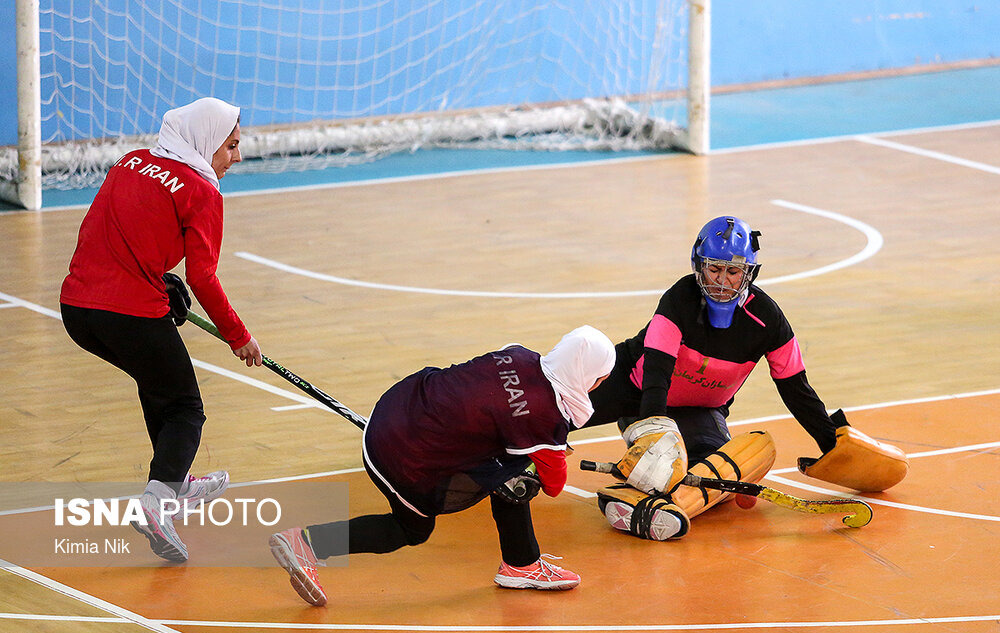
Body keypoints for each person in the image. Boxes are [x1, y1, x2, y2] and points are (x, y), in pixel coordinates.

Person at [581, 215, 906, 541]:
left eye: (733, 272)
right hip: (635, 388)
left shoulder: (767, 320)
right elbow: (657, 370)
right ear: (699, 266)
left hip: (699, 410)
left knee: (714, 472)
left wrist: (831, 445)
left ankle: (638, 505)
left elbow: (796, 388)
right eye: (714, 269)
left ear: (749, 273)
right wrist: (655, 429)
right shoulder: (679, 299)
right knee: (557, 415)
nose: (722, 281)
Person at [268, 325, 616, 606]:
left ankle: (520, 562)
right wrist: (544, 454)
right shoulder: (545, 419)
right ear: (588, 375)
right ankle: (307, 543)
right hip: (404, 457)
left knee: (511, 462)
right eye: (602, 377)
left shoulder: (519, 354)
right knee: (416, 528)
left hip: (394, 412)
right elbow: (554, 486)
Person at [59, 97, 263, 562]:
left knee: (158, 384)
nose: (237, 157)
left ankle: (176, 482)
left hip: (76, 309)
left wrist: (159, 279)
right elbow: (203, 278)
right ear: (206, 141)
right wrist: (239, 336)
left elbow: (106, 233)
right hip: (129, 314)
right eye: (231, 146)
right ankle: (157, 502)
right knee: (186, 408)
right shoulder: (202, 191)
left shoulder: (130, 162)